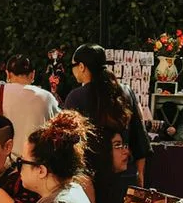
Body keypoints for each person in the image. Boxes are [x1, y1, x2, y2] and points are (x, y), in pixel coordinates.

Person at [63, 43, 149, 185]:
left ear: (82, 66)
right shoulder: (126, 92)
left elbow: (67, 143)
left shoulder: (76, 97)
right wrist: (140, 175)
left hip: (90, 179)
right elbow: (140, 139)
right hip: (125, 176)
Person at [0, 54, 59, 149]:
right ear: (32, 74)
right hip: (35, 160)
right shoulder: (47, 97)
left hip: (5, 159)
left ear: (8, 74)